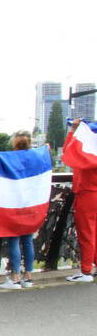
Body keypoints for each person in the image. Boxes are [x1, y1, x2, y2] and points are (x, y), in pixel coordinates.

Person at [0, 131, 37, 289]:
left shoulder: (9, 158)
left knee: (14, 240)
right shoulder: (35, 157)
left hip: (13, 204)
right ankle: (28, 277)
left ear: (14, 143)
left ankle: (15, 277)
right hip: (30, 204)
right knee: (28, 241)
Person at [63, 118, 97, 282]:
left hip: (87, 194)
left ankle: (86, 272)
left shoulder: (86, 154)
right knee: (93, 233)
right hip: (93, 193)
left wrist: (73, 131)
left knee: (86, 234)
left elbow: (68, 152)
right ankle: (91, 267)